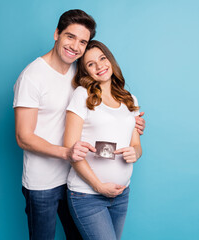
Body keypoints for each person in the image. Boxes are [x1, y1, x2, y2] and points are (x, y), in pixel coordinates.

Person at [13, 10, 145, 240]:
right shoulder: (32, 76)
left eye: (82, 41)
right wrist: (68, 153)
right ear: (56, 34)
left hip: (76, 179)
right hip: (43, 182)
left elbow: (103, 110)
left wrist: (131, 124)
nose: (75, 46)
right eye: (70, 37)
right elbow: (23, 137)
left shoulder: (80, 69)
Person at [64, 40, 143, 240]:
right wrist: (99, 186)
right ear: (85, 71)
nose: (99, 66)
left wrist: (135, 153)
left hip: (122, 194)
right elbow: (70, 149)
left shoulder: (129, 99)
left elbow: (136, 146)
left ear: (110, 60)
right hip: (87, 195)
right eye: (91, 64)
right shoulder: (82, 95)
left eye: (102, 58)